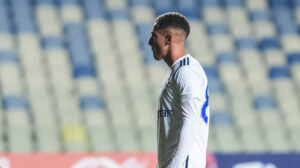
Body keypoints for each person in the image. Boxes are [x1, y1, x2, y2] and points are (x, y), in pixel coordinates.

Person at [148, 12, 210, 168]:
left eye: (154, 36)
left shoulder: (186, 72)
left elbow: (190, 121)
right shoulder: (178, 71)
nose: (150, 42)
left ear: (168, 38)